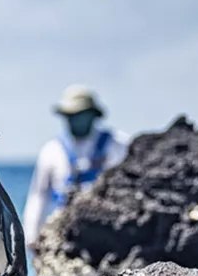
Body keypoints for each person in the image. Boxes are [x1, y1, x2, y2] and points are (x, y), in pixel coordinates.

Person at [22, 85, 129, 253]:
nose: (74, 120)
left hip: (110, 232)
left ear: (93, 115)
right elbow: (39, 194)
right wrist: (32, 234)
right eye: (70, 115)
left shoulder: (118, 145)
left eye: (80, 114)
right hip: (64, 232)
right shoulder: (52, 151)